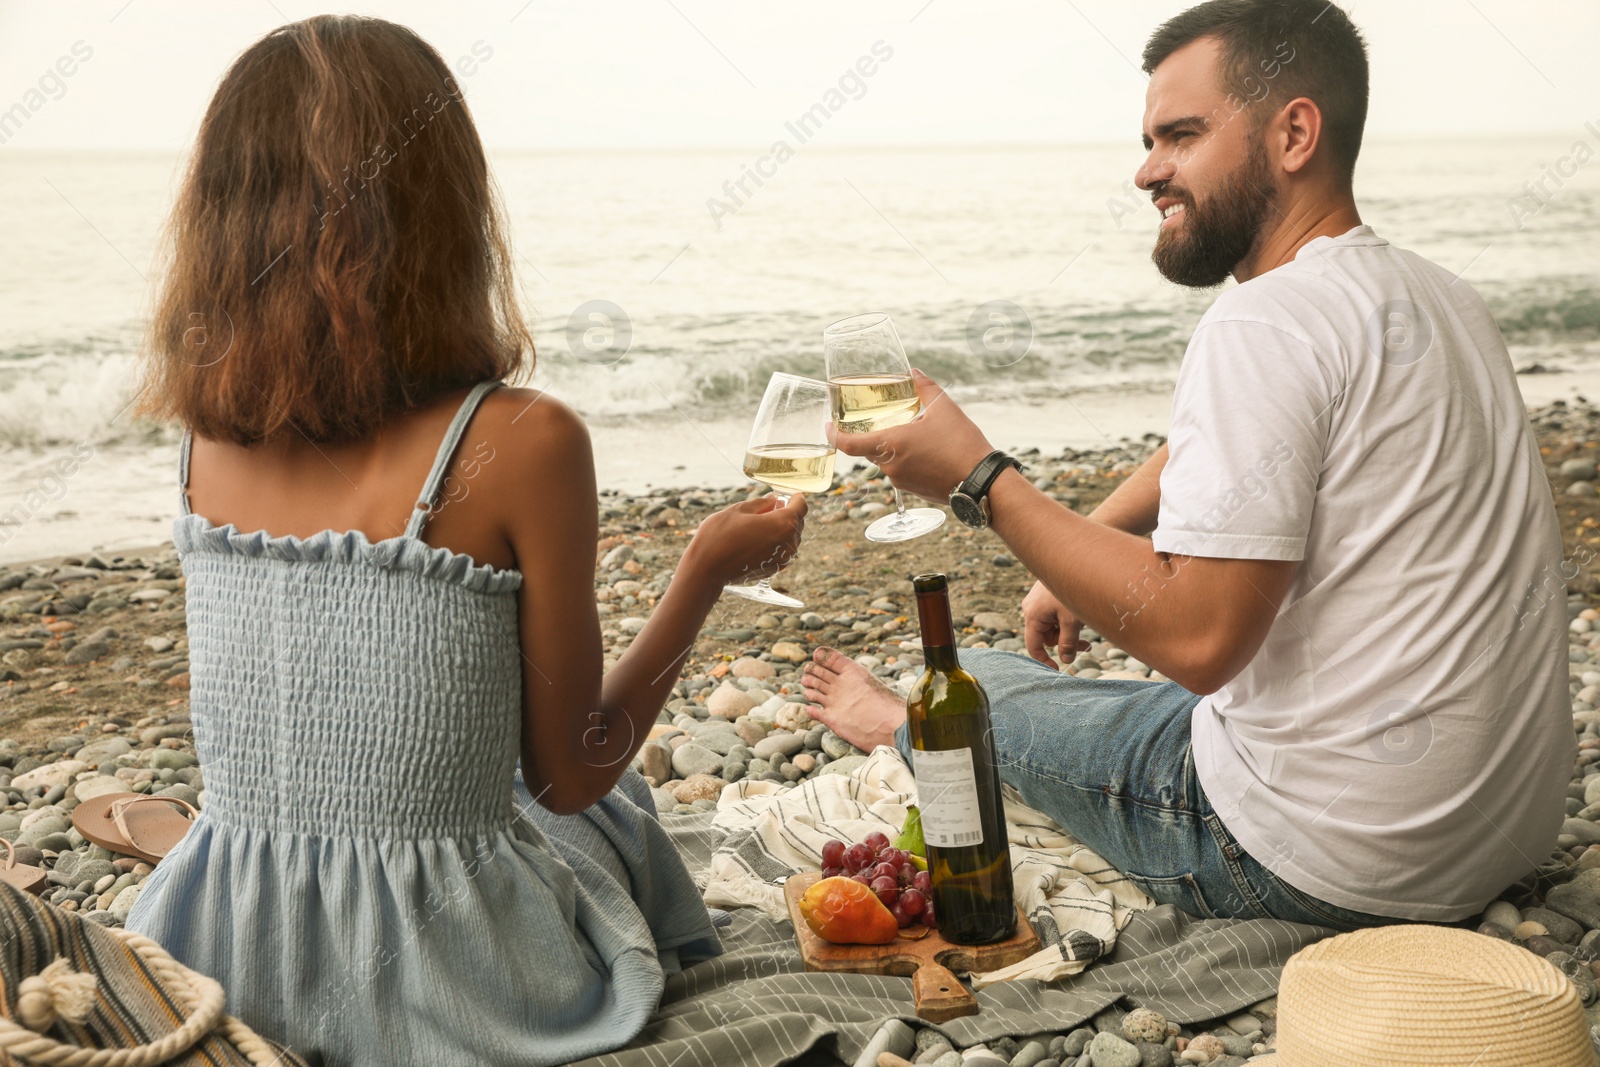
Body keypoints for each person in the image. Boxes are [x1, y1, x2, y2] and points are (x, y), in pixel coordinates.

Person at [805, 0, 1573, 930]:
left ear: (1294, 132)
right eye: (1148, 139)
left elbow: (1203, 644)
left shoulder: (1262, 322)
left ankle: (885, 721)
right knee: (1040, 680)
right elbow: (1262, 436)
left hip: (1315, 858)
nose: (1146, 170)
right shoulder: (1437, 297)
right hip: (1499, 830)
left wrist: (979, 479)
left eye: (1182, 135)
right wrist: (1097, 536)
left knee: (980, 691)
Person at [127, 16, 806, 1065]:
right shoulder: (517, 439)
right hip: (458, 972)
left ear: (222, 212)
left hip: (225, 945)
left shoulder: (204, 439)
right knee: (608, 811)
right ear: (444, 209)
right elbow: (572, 769)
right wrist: (706, 570)